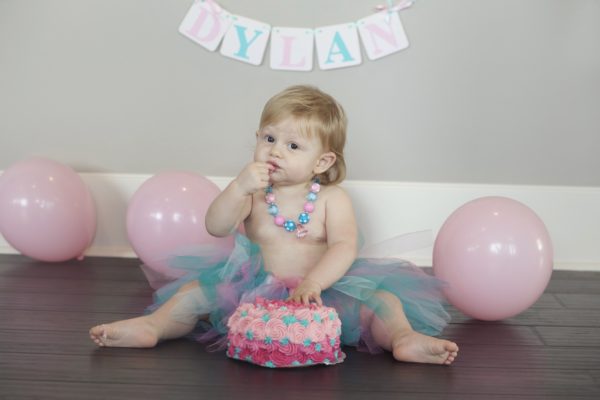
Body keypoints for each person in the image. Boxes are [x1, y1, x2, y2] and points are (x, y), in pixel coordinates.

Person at [90, 85, 459, 365]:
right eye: (269, 138)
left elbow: (344, 246)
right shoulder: (253, 191)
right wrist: (237, 188)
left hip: (322, 290)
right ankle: (153, 326)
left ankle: (403, 338)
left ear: (322, 161)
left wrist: (314, 282)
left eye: (293, 146)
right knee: (194, 293)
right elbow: (216, 226)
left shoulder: (332, 199)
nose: (276, 151)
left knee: (382, 300)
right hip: (253, 290)